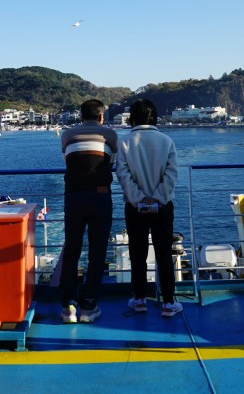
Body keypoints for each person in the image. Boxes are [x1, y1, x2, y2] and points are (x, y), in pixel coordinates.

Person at [115, 99, 182, 317]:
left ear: (132, 117)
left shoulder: (125, 142)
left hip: (135, 208)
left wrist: (139, 200)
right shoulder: (166, 141)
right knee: (164, 253)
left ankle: (139, 298)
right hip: (163, 207)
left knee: (137, 253)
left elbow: (122, 174)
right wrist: (158, 198)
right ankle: (169, 301)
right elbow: (172, 174)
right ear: (154, 117)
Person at [58, 99, 118, 323]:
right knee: (97, 251)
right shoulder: (110, 135)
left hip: (73, 195)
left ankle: (68, 307)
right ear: (102, 116)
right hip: (100, 195)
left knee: (72, 249)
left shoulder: (67, 134)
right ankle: (89, 305)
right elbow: (111, 162)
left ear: (80, 115)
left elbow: (68, 160)